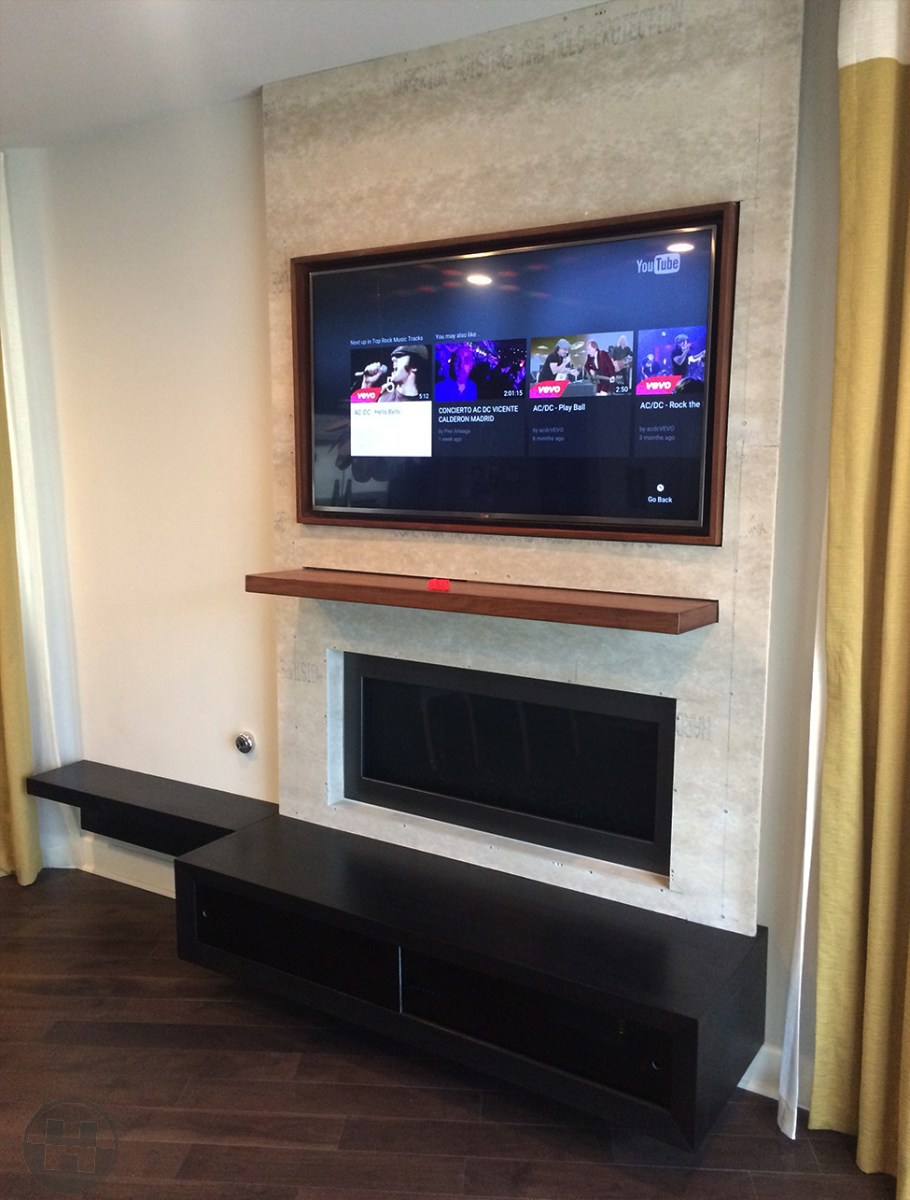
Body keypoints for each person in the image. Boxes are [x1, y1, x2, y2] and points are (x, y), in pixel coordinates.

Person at [363, 344, 428, 401]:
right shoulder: (382, 398)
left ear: (414, 365)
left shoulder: (426, 401)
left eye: (400, 355)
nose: (393, 359)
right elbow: (359, 408)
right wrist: (367, 384)